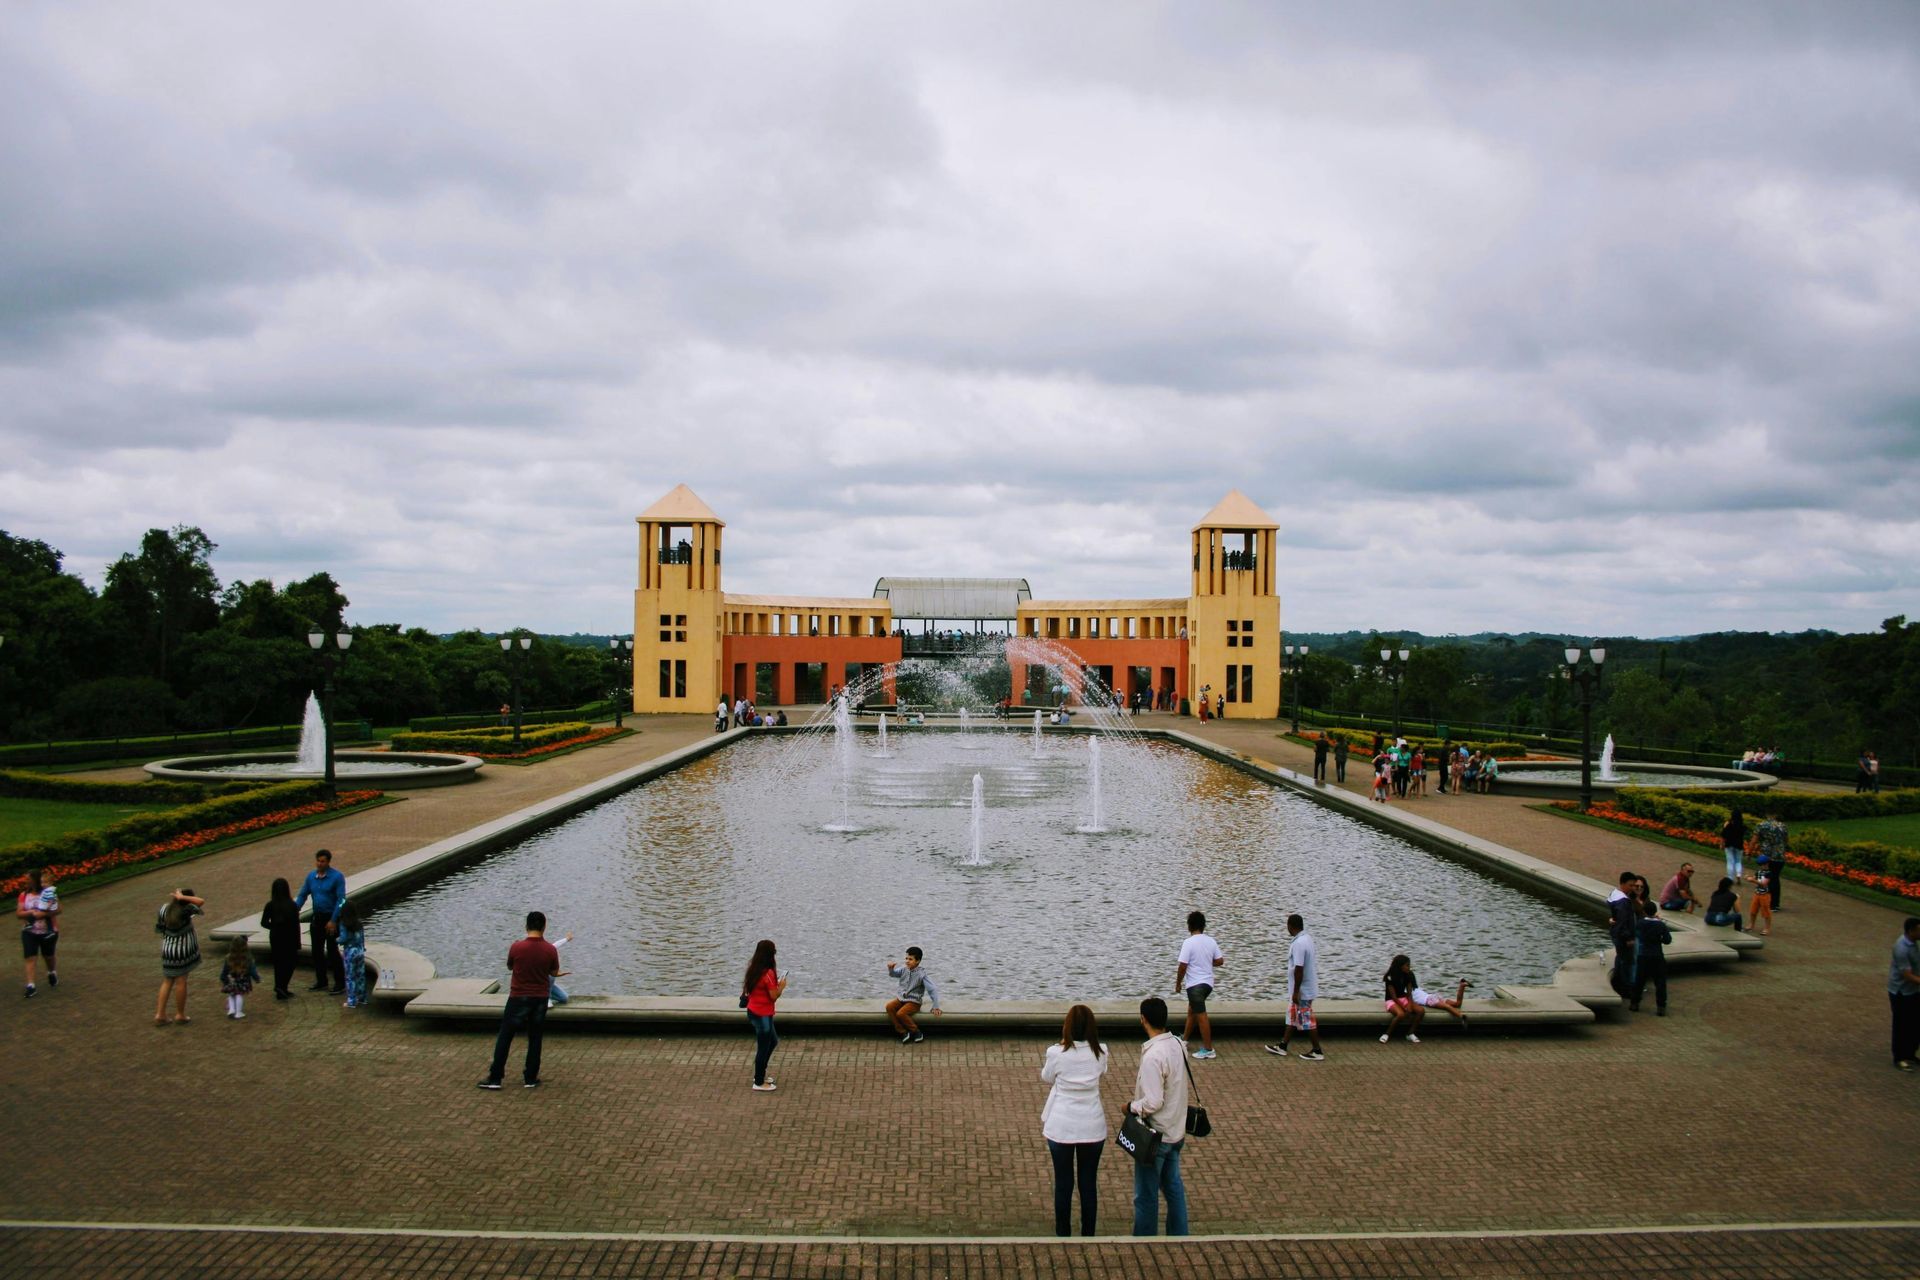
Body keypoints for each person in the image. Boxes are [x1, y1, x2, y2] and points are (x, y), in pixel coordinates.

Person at [1040, 1004, 1108, 1237]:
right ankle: (1088, 1233)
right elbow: (1102, 1071)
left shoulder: (1056, 1053)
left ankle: (1063, 1233)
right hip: (1092, 1124)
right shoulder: (1101, 1052)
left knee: (1063, 1183)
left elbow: (1047, 1077)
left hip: (1062, 1124)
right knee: (1088, 1184)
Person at [478, 910, 565, 1090]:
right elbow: (553, 972)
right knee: (535, 1038)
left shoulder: (517, 947)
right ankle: (530, 1078)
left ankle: (495, 1078)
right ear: (544, 927)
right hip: (540, 999)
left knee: (505, 1036)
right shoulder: (550, 949)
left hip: (518, 997)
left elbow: (510, 966)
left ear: (526, 926)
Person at [1127, 996, 1189, 1236]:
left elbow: (1153, 1102)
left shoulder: (1153, 1056)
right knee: (1173, 1188)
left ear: (1143, 1020)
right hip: (1176, 1130)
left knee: (1145, 1194)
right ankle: (1179, 1235)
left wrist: (1131, 1107)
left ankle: (1144, 1240)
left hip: (1157, 1136)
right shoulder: (1178, 1044)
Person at [1264, 914, 1324, 1060]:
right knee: (1292, 1017)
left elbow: (1299, 968)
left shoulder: (1298, 944)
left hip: (1302, 990)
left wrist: (1296, 992)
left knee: (1308, 1019)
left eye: (1287, 926)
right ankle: (1283, 1046)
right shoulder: (1307, 939)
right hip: (1303, 988)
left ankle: (1317, 1051)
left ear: (1291, 926)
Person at [293, 849, 347, 993]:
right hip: (317, 918)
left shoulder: (337, 877)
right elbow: (303, 895)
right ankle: (321, 981)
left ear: (328, 862)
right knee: (316, 952)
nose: (320, 864)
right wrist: (294, 910)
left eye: (323, 861)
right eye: (318, 861)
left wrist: (334, 920)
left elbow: (341, 900)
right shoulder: (311, 877)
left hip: (331, 919)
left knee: (332, 951)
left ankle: (340, 983)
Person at [1174, 911, 1223, 1059]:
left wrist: (1178, 983)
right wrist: (1207, 962)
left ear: (1189, 926)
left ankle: (1208, 1049)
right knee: (1192, 1011)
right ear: (1203, 926)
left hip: (1195, 986)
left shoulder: (1188, 943)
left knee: (1201, 1016)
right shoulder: (1211, 941)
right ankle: (1184, 1040)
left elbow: (1182, 966)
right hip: (1207, 984)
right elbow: (1220, 961)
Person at [154, 887, 205, 1026]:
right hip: (181, 952)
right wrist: (183, 898)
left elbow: (159, 928)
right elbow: (201, 901)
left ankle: (160, 1014)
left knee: (167, 981)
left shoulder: (164, 909)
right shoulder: (186, 911)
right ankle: (180, 1014)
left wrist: (179, 897)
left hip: (168, 950)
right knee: (181, 981)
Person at [743, 938, 787, 1090]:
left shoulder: (753, 969)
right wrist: (781, 986)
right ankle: (759, 1082)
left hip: (754, 1011)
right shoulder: (767, 973)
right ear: (770, 954)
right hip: (762, 1015)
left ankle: (760, 1074)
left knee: (772, 1041)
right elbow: (773, 996)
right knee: (763, 1047)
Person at [885, 947, 942, 1043]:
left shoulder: (921, 974)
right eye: (906, 958)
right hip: (901, 999)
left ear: (918, 961)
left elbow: (932, 989)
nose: (907, 961)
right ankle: (902, 1031)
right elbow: (893, 974)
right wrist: (891, 969)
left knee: (901, 1013)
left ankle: (916, 1032)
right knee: (889, 1007)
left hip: (914, 1002)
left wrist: (936, 1006)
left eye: (910, 959)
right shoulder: (904, 969)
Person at [258, 878, 302, 1000]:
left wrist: (274, 927)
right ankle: (283, 986)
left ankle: (279, 987)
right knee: (290, 962)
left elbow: (263, 922)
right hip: (289, 937)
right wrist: (298, 942)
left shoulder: (270, 905)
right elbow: (296, 925)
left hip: (276, 937)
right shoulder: (292, 905)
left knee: (278, 963)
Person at [18, 868, 58, 997]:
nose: (26, 882)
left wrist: (42, 914)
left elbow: (58, 909)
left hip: (47, 931)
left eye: (28, 879)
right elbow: (19, 913)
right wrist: (30, 913)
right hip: (29, 931)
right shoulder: (24, 895)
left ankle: (51, 972)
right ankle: (31, 985)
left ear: (35, 880)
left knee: (48, 956)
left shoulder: (47, 893)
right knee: (30, 957)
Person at [1889, 918, 1920, 1071]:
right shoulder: (1901, 948)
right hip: (1901, 992)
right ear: (1911, 931)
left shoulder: (1913, 943)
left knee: (1915, 1024)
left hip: (1913, 990)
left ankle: (1909, 1054)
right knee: (1901, 1025)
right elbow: (1907, 975)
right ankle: (1899, 1058)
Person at [1631, 901, 1672, 1015]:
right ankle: (1661, 1007)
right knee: (1660, 982)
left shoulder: (1640, 923)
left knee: (1639, 980)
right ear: (1655, 911)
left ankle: (1634, 1003)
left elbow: (1636, 934)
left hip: (1643, 955)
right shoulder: (1660, 925)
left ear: (1644, 911)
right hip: (1657, 955)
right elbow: (1668, 940)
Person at [1607, 871, 1640, 997]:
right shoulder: (1623, 901)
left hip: (1617, 934)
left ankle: (1620, 986)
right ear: (1623, 884)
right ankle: (1625, 989)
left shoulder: (1615, 895)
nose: (1632, 888)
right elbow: (1622, 922)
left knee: (1621, 959)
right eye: (1631, 885)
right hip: (1623, 937)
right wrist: (1628, 938)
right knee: (1626, 962)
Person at [1381, 954, 1422, 1043]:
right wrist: (1404, 1008)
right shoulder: (1390, 977)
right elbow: (1393, 997)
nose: (1409, 967)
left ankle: (1410, 1033)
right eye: (1407, 965)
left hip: (1403, 998)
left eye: (1409, 965)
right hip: (1392, 1000)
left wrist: (1410, 1005)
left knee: (1420, 1011)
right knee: (1401, 1014)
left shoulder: (1408, 975)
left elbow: (1409, 993)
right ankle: (1386, 1034)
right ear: (1400, 966)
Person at [218, 935, 260, 1020]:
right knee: (239, 995)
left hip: (231, 980)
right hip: (243, 980)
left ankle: (231, 1010)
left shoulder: (228, 957)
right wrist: (257, 978)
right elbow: (252, 970)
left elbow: (224, 971)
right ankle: (238, 1012)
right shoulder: (248, 958)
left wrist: (223, 978)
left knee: (231, 994)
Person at [336, 902, 368, 1009]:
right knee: (360, 975)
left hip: (350, 952)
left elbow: (344, 938)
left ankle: (352, 1001)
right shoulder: (359, 923)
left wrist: (337, 940)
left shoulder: (343, 924)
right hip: (360, 951)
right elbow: (362, 937)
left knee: (350, 977)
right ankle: (362, 998)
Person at [1756, 814, 1787, 910]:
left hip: (1767, 856)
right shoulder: (1783, 826)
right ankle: (1775, 903)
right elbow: (1786, 840)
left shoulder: (1761, 825)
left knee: (1766, 878)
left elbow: (1754, 839)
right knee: (1775, 879)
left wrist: (1749, 852)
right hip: (1779, 856)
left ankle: (1767, 902)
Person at [1721, 810, 1748, 884]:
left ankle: (1730, 877)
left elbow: (1723, 835)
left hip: (1729, 844)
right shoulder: (1742, 826)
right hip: (1739, 845)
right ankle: (1738, 874)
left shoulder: (1728, 824)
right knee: (1738, 861)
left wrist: (1722, 844)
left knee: (1730, 861)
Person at [1748, 861, 1774, 936]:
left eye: (1763, 864)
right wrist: (1749, 878)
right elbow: (1754, 877)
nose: (1761, 866)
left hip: (1765, 894)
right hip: (1757, 893)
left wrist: (1753, 880)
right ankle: (1751, 925)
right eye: (1760, 864)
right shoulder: (1759, 871)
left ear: (1767, 864)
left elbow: (1764, 884)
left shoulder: (1769, 873)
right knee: (1753, 910)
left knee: (1766, 912)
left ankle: (1767, 928)